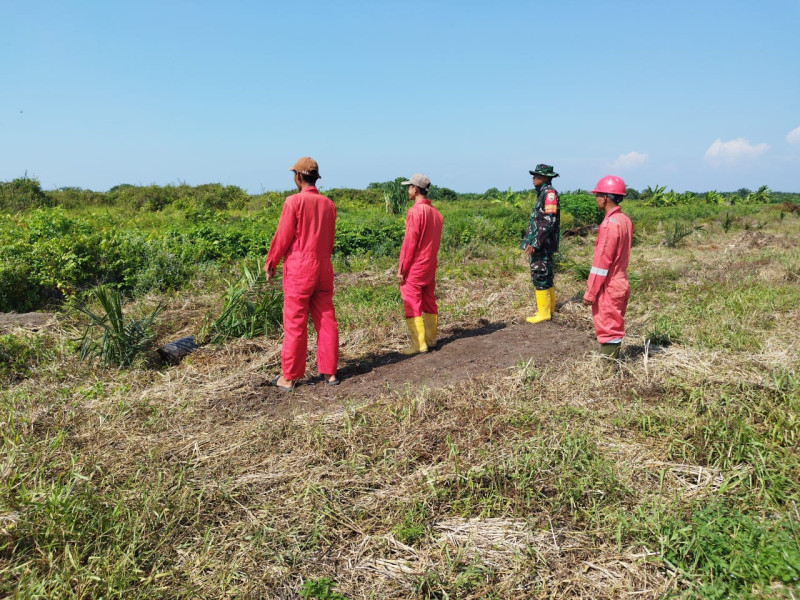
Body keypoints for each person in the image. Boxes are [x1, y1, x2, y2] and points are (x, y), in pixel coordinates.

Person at [264, 157, 339, 391]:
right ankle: (330, 373)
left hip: (300, 269)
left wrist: (271, 262)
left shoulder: (293, 202)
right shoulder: (329, 204)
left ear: (298, 177)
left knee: (295, 323)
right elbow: (329, 239)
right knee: (326, 319)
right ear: (315, 177)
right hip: (323, 267)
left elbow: (283, 236)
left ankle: (289, 376)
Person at [583, 175, 633, 364]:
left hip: (610, 284)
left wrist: (590, 292)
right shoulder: (625, 220)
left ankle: (608, 370)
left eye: (597, 195)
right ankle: (612, 365)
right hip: (621, 281)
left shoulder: (609, 224)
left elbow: (601, 264)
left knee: (608, 327)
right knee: (614, 324)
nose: (596, 199)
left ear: (605, 198)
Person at [397, 173, 443, 355]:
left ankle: (419, 344)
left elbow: (409, 244)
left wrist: (402, 269)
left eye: (409, 187)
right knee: (429, 301)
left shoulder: (415, 212)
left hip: (415, 266)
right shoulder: (436, 214)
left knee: (412, 302)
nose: (408, 190)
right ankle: (431, 340)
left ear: (415, 189)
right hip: (430, 265)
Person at [522, 164, 561, 323]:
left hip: (542, 244)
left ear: (545, 178)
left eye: (537, 176)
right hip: (543, 242)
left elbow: (548, 222)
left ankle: (544, 313)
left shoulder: (549, 194)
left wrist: (535, 243)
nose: (533, 178)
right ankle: (549, 310)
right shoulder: (544, 193)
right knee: (546, 275)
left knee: (540, 275)